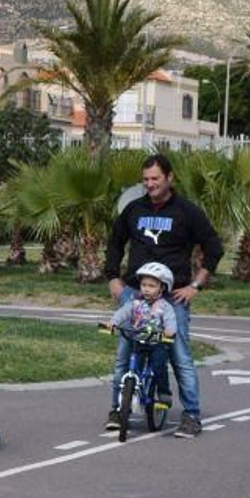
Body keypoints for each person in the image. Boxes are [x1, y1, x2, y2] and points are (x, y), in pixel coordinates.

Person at [103, 154, 224, 439]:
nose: (150, 184)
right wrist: (113, 279)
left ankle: (191, 416)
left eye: (155, 179)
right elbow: (115, 242)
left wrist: (196, 284)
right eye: (145, 180)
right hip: (134, 293)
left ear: (170, 178)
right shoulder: (133, 209)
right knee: (125, 354)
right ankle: (116, 410)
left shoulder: (187, 212)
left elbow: (214, 246)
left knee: (180, 356)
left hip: (173, 298)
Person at [106, 262, 179, 418]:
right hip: (138, 341)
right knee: (134, 368)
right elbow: (123, 313)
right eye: (144, 284)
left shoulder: (165, 307)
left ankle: (164, 393)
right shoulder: (135, 303)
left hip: (158, 342)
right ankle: (128, 399)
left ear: (162, 288)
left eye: (152, 286)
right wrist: (113, 322)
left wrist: (169, 331)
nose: (146, 288)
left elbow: (170, 321)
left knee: (159, 366)